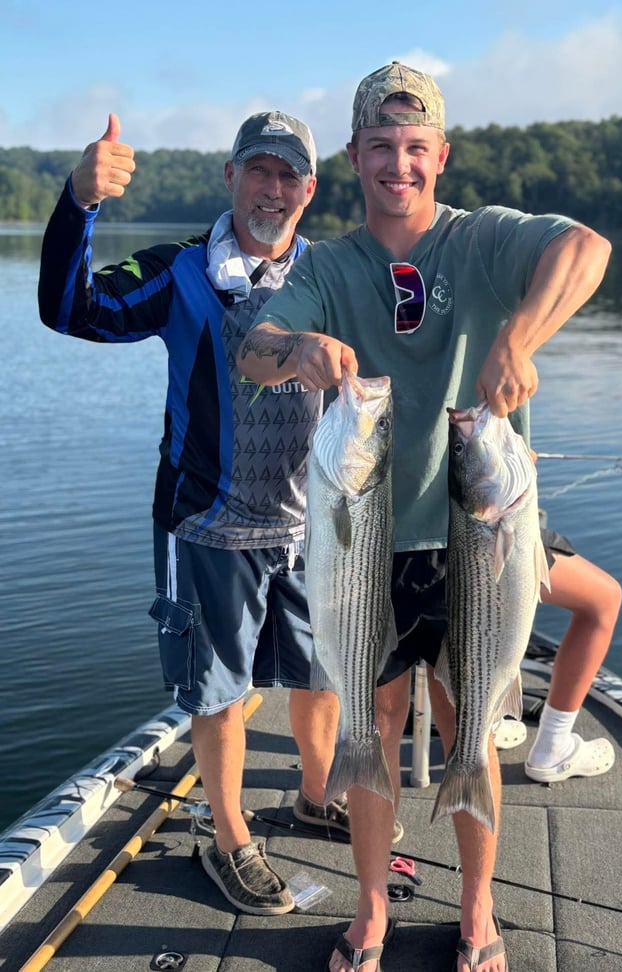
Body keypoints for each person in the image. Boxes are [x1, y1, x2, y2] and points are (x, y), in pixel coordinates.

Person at [236, 61, 612, 972]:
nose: (397, 164)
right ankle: (370, 911)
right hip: (369, 543)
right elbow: (254, 348)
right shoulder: (326, 265)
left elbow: (588, 250)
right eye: (379, 148)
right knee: (371, 719)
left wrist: (519, 337)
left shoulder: (481, 241)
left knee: (468, 727)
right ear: (356, 157)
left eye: (414, 148)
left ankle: (477, 912)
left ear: (439, 155)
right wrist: (300, 350)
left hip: (475, 543)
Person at [37, 109, 345, 917]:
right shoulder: (181, 271)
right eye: (258, 171)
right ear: (231, 177)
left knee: (324, 672)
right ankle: (232, 836)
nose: (271, 190)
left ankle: (316, 796)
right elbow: (72, 310)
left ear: (309, 190)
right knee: (217, 692)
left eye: (288, 176)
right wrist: (78, 202)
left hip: (314, 525)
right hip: (207, 523)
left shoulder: (334, 277)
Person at [493, 507, 622, 780]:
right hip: (485, 535)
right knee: (605, 600)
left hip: (407, 542)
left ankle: (488, 721)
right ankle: (553, 746)